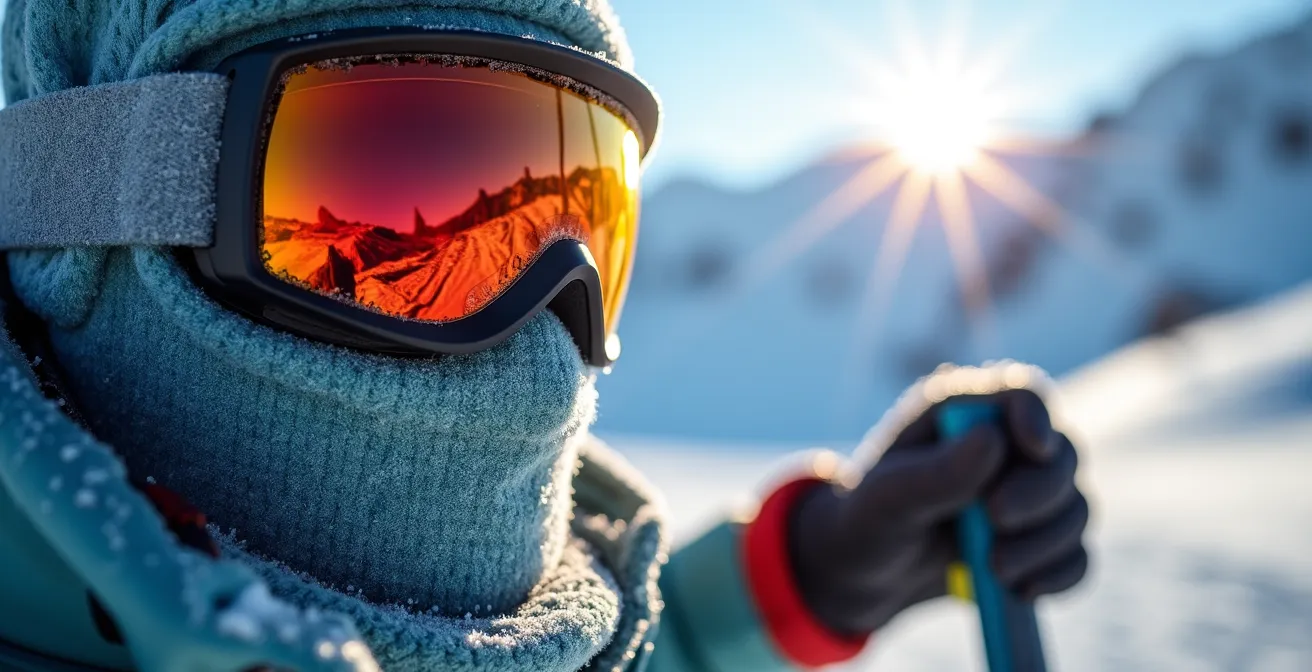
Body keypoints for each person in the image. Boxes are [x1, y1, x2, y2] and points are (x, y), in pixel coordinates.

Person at [0, 0, 1089, 670]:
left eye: (586, 221)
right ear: (88, 220)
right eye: (379, 189)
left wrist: (805, 578)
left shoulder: (557, 639)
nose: (532, 340)